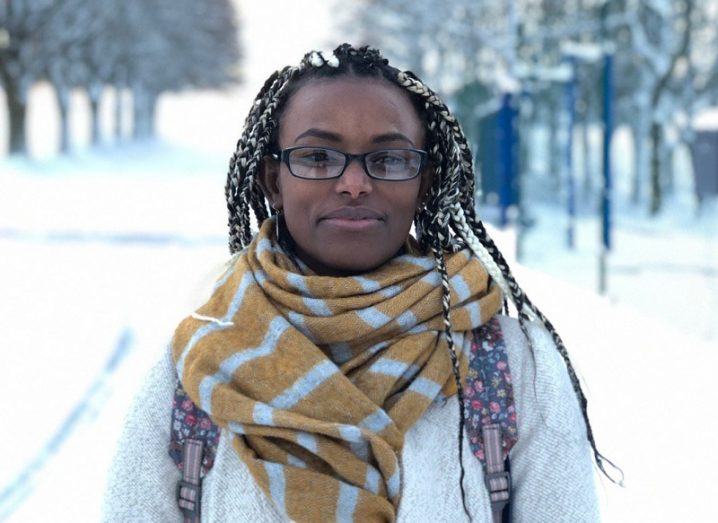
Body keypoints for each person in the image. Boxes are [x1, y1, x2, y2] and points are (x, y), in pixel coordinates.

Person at [102, 44, 620, 522]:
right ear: (272, 180)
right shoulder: (199, 365)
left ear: (425, 183)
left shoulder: (507, 366)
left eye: (390, 159)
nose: (354, 183)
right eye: (318, 157)